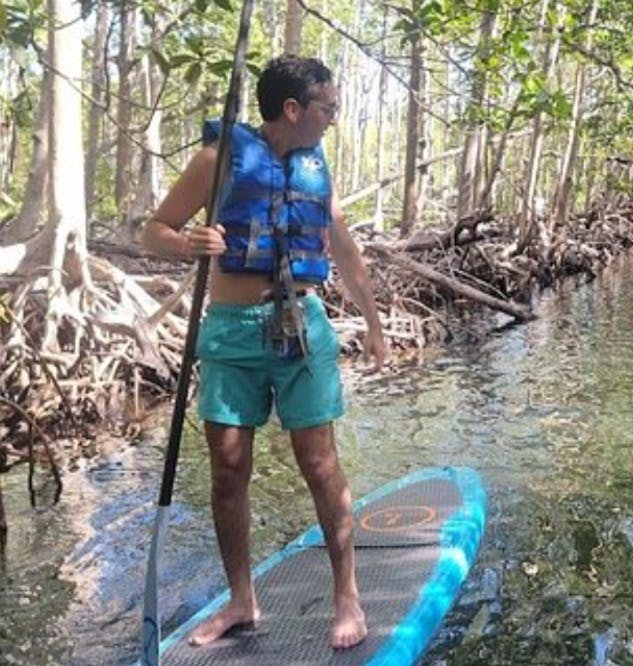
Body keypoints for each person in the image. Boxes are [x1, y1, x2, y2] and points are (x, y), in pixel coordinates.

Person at [141, 54, 385, 650]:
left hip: (301, 326)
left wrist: (375, 323)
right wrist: (188, 242)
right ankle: (242, 602)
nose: (333, 117)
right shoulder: (218, 160)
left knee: (320, 464)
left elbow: (346, 253)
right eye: (326, 106)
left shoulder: (314, 167)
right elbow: (154, 230)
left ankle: (346, 594)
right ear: (293, 109)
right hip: (231, 329)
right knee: (228, 471)